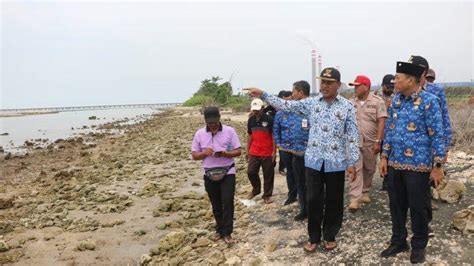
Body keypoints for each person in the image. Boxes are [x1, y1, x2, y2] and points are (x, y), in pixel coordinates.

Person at [244, 67, 359, 253]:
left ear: (338, 85)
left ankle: (330, 235)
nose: (325, 86)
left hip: (336, 162)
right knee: (313, 199)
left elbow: (352, 136)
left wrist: (352, 161)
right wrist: (264, 94)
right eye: (323, 82)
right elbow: (287, 105)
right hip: (313, 161)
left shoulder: (347, 106)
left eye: (329, 83)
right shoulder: (312, 103)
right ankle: (313, 237)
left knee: (334, 200)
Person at [380, 61, 445, 264]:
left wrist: (438, 166)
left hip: (419, 166)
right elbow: (390, 130)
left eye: (398, 77)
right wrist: (384, 156)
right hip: (395, 163)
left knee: (418, 207)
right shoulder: (396, 100)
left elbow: (437, 135)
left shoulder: (430, 101)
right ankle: (399, 240)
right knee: (396, 205)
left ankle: (419, 245)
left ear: (410, 80)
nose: (395, 81)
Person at [191, 106, 242, 244]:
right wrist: (204, 153)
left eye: (214, 121)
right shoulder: (199, 134)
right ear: (205, 121)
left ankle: (227, 232)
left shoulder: (229, 131)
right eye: (210, 122)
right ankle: (219, 230)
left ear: (219, 118)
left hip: (228, 171)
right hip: (209, 173)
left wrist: (225, 153)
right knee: (216, 204)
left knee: (227, 201)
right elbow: (194, 155)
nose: (212, 124)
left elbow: (238, 151)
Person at [348, 75, 387, 211]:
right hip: (354, 142)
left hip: (371, 141)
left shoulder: (377, 102)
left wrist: (378, 141)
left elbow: (381, 121)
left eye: (358, 86)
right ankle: (354, 198)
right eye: (354, 86)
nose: (355, 88)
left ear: (366, 86)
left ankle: (365, 191)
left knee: (369, 168)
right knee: (356, 168)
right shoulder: (350, 102)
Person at [288, 81, 311, 221]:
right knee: (300, 183)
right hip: (296, 153)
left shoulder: (312, 109)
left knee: (312, 184)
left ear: (301, 93)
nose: (292, 95)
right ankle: (304, 209)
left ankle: (315, 209)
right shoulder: (294, 110)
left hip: (310, 154)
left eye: (293, 92)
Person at [247, 98, 276, 204]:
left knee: (268, 175)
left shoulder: (269, 119)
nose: (256, 112)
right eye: (254, 110)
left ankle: (267, 195)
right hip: (254, 151)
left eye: (257, 110)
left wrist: (274, 152)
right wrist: (247, 150)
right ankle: (256, 189)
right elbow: (250, 136)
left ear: (263, 108)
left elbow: (274, 136)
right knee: (251, 172)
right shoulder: (251, 120)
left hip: (267, 152)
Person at [273, 90, 298, 205]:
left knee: (300, 173)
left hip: (298, 148)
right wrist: (278, 144)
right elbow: (276, 130)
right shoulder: (279, 114)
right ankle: (291, 195)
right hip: (285, 148)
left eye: (290, 101)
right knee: (290, 172)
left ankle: (301, 195)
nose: (288, 104)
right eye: (285, 101)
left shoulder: (298, 112)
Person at [379, 74, 396, 191]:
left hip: (392, 134)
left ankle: (387, 181)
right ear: (382, 85)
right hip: (378, 133)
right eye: (388, 86)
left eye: (392, 86)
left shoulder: (397, 97)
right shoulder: (375, 97)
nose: (390, 89)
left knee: (389, 157)